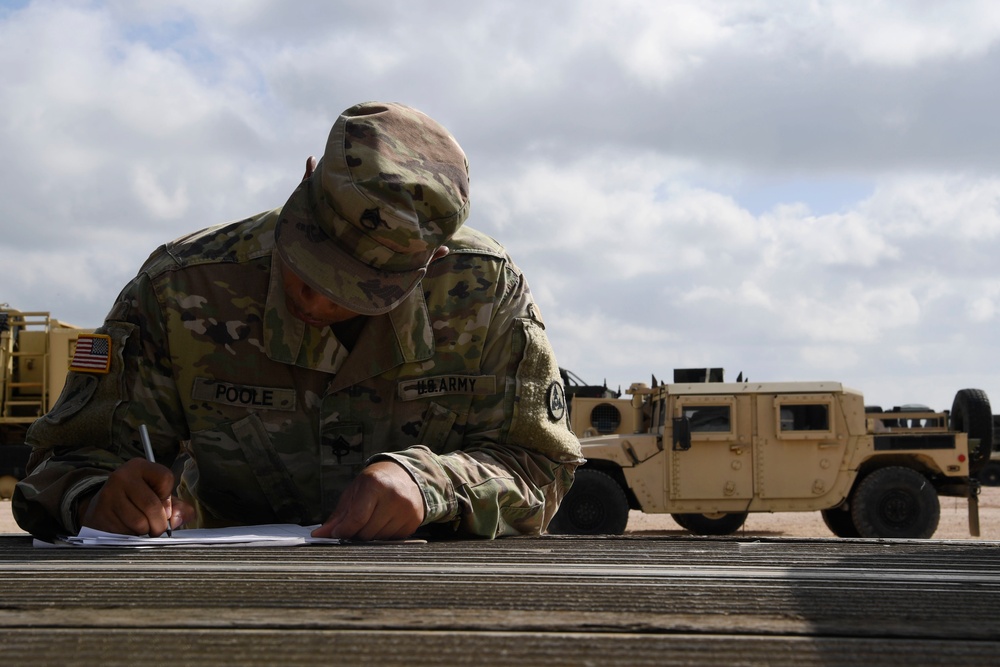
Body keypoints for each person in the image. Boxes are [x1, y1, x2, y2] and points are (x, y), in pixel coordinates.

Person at [13, 101, 583, 542]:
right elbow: (57, 466)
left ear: (430, 263)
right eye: (306, 257)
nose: (313, 299)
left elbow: (541, 467)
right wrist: (95, 498)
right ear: (306, 180)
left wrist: (431, 485)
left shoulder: (482, 293)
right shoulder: (182, 288)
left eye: (354, 287)